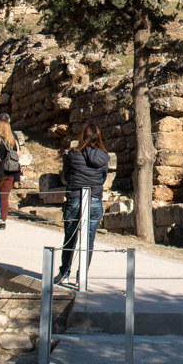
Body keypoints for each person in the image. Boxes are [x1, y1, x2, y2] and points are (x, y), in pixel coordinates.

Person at [53, 123, 110, 287]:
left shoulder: (73, 155)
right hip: (94, 200)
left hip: (75, 198)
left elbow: (66, 175)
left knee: (70, 238)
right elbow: (103, 177)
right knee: (89, 240)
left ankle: (64, 273)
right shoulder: (103, 157)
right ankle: (82, 275)